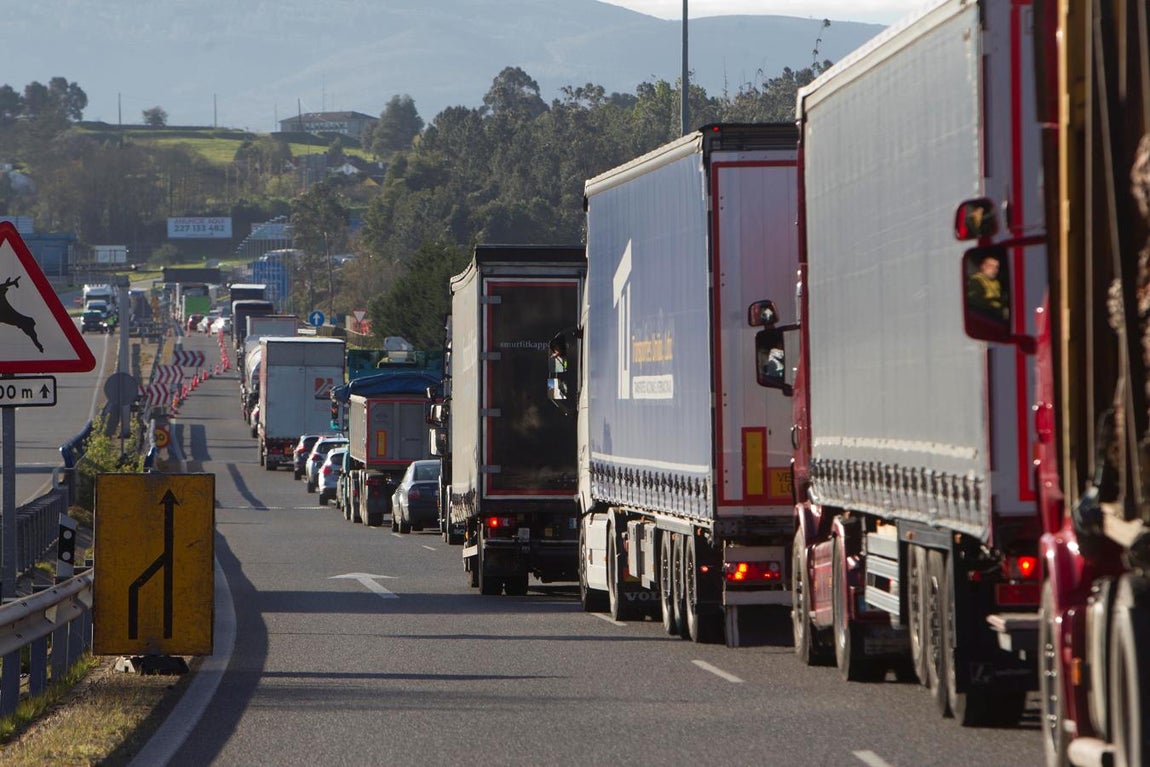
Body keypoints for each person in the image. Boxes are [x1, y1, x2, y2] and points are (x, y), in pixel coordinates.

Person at [967, 252, 1008, 322]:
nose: (994, 269)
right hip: (985, 317)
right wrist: (997, 308)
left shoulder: (996, 282)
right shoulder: (976, 281)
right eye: (991, 266)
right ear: (983, 267)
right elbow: (975, 300)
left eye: (996, 267)